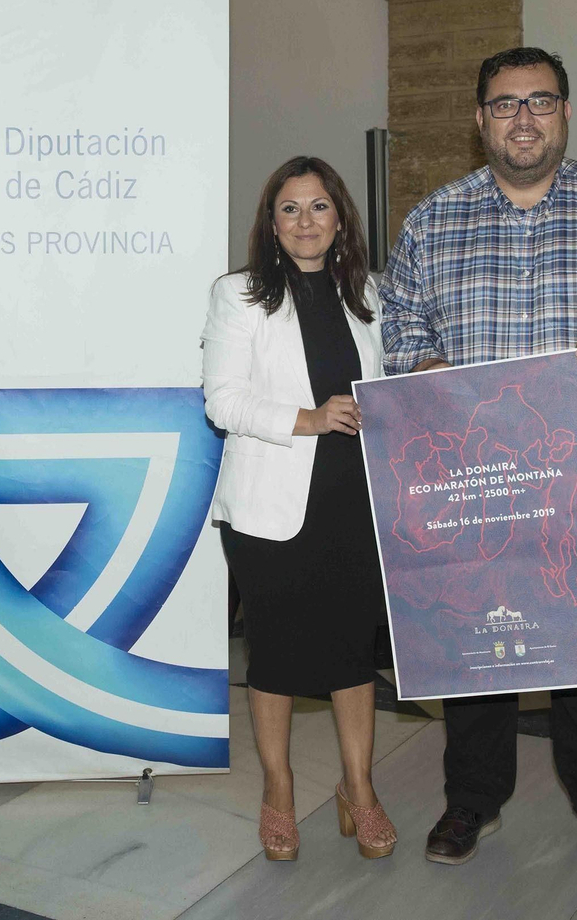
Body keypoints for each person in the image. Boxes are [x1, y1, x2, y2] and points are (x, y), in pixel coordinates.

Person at [380, 46, 577, 880]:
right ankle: (471, 798)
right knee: (473, 634)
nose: (524, 119)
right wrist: (420, 368)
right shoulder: (433, 219)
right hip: (472, 479)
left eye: (541, 102)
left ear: (565, 112)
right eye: (505, 104)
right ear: (480, 119)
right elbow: (401, 328)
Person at [202, 155, 395, 862]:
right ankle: (278, 790)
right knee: (277, 656)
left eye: (319, 207)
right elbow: (221, 400)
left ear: (340, 218)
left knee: (353, 652)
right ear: (271, 221)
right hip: (272, 506)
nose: (306, 221)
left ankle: (359, 789)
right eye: (290, 208)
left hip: (357, 500)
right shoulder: (240, 295)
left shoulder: (372, 294)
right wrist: (309, 419)